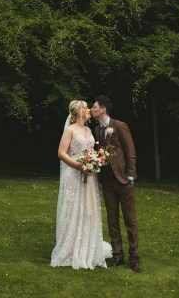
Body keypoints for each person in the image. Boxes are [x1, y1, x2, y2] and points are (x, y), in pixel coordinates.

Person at [50, 100, 112, 269]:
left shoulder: (89, 130)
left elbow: (90, 152)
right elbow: (61, 153)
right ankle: (70, 247)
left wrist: (95, 161)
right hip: (73, 174)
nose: (88, 110)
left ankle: (87, 245)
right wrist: (79, 165)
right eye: (85, 108)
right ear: (77, 112)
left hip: (89, 175)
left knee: (86, 209)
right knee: (74, 208)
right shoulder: (70, 130)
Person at [91, 95, 140, 273]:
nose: (92, 109)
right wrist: (99, 178)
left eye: (94, 106)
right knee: (112, 220)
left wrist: (131, 176)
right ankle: (117, 256)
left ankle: (134, 258)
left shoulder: (119, 126)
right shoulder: (97, 130)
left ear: (103, 109)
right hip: (108, 182)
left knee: (130, 220)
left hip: (123, 180)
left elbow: (130, 152)